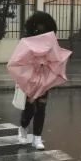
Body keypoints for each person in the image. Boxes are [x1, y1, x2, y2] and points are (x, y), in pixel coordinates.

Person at [18, 11, 58, 150]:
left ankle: (37, 137)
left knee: (41, 107)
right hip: (30, 77)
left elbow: (55, 57)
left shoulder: (50, 39)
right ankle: (23, 126)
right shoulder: (27, 39)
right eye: (39, 25)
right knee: (30, 107)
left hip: (45, 76)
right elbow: (21, 57)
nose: (41, 28)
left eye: (43, 25)